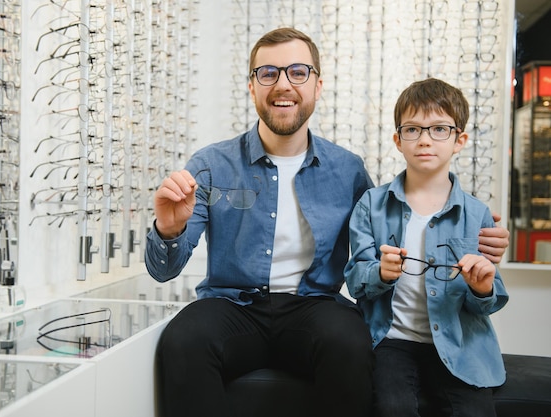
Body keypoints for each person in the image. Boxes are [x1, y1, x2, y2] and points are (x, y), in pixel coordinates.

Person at [145, 29, 509, 417]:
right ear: (252, 86)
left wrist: (468, 230)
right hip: (233, 305)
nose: (283, 84)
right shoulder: (210, 164)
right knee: (183, 339)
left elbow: (391, 224)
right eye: (268, 73)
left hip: (314, 307)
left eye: (297, 72)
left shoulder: (348, 169)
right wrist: (169, 229)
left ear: (318, 86)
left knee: (349, 342)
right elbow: (164, 270)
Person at [344, 78, 509, 417]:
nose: (424, 140)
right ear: (397, 140)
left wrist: (482, 288)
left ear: (459, 140)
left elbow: (489, 302)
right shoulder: (371, 205)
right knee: (393, 407)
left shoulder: (477, 213)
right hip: (390, 342)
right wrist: (381, 274)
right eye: (412, 130)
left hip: (458, 343)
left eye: (439, 129)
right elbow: (355, 280)